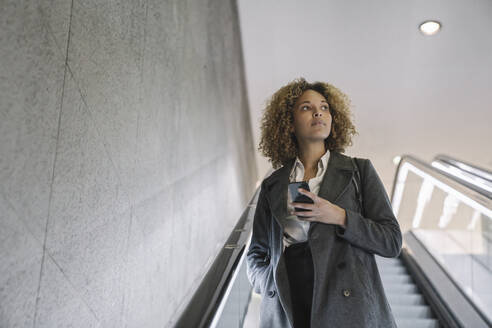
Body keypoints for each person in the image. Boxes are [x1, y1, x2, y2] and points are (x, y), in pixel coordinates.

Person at [246, 77, 402, 328]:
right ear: (289, 123)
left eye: (324, 107)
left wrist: (339, 216)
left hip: (347, 305)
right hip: (288, 303)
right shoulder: (273, 184)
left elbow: (391, 241)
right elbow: (257, 252)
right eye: (306, 107)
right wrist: (269, 283)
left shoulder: (358, 171)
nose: (318, 111)